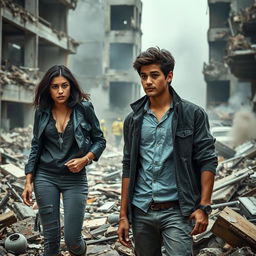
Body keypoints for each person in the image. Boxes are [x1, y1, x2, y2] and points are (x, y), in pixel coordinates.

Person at [117, 47, 217, 256]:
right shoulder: (133, 120)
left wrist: (204, 207)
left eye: (154, 75)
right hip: (141, 210)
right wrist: (123, 216)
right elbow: (128, 166)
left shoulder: (193, 114)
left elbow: (207, 160)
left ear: (169, 76)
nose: (148, 82)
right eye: (143, 76)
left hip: (178, 211)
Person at [22, 65, 106, 256]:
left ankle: (79, 249)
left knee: (72, 240)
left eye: (64, 86)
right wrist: (28, 181)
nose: (60, 91)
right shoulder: (41, 111)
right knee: (50, 241)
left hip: (74, 179)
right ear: (48, 89)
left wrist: (84, 159)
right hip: (45, 177)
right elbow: (36, 146)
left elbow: (100, 140)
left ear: (71, 87)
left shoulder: (84, 108)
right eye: (54, 87)